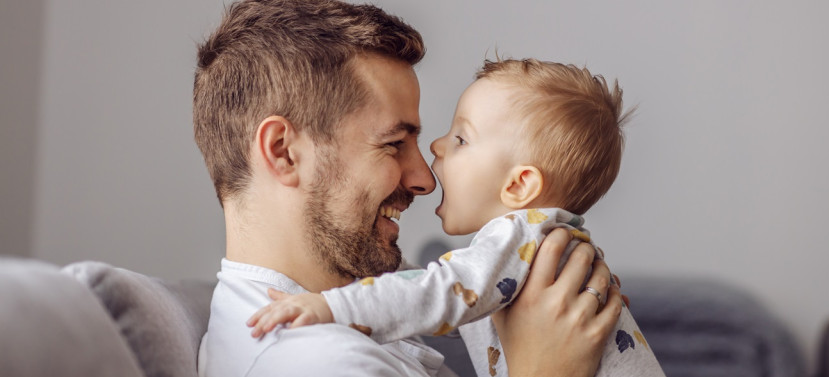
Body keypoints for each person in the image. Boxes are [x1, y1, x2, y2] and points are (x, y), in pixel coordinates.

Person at [193, 1, 624, 376]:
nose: (425, 179)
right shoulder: (318, 363)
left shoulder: (347, 320)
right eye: (394, 144)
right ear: (283, 152)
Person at [246, 59, 666, 377]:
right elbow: (438, 297)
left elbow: (436, 295)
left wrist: (331, 306)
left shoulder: (521, 236)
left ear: (519, 186)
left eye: (461, 138)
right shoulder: (531, 246)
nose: (437, 149)